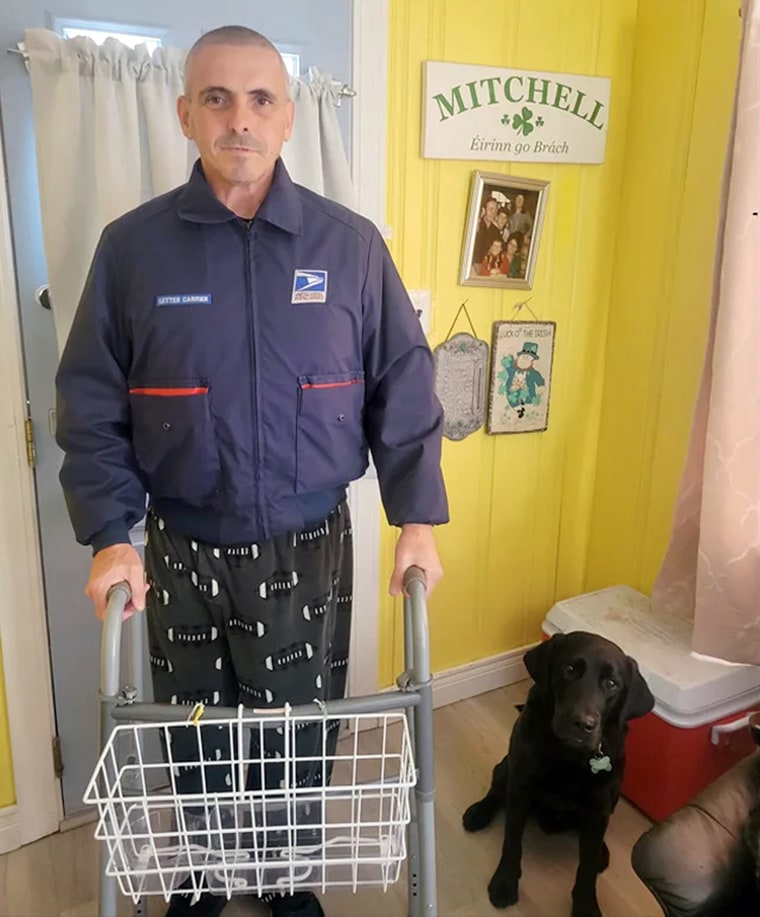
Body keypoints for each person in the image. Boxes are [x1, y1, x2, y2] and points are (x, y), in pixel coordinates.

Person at [55, 25, 448, 917]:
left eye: (261, 97)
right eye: (219, 98)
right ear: (186, 113)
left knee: (293, 732)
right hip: (182, 542)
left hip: (307, 543)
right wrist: (111, 536)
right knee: (194, 730)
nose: (241, 118)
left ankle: (284, 877)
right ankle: (201, 872)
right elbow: (89, 397)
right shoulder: (133, 249)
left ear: (290, 116)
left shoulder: (348, 247)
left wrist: (415, 518)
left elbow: (402, 380)